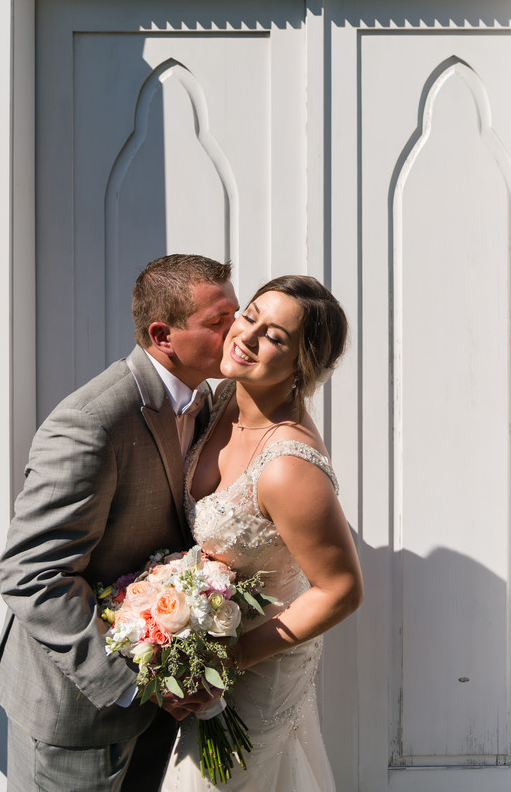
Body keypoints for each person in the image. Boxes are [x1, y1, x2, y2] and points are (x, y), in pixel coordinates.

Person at [0, 254, 239, 792]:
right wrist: (131, 685)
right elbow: (32, 575)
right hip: (76, 711)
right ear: (162, 334)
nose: (236, 331)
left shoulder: (210, 403)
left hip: (158, 708)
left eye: (235, 313)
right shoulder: (93, 421)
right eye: (219, 321)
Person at [161, 275, 364, 791]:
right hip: (213, 656)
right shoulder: (224, 397)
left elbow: (341, 589)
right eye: (250, 316)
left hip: (258, 672)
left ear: (303, 365)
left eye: (275, 337)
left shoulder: (288, 466)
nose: (246, 337)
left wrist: (229, 660)